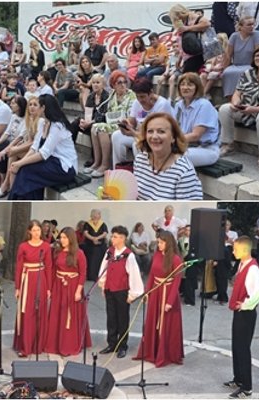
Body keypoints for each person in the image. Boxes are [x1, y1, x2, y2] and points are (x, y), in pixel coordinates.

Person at [218, 44, 259, 170]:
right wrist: (236, 103)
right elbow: (237, 92)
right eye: (257, 55)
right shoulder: (248, 73)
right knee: (225, 108)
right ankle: (228, 144)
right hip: (247, 110)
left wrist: (255, 109)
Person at [8, 94, 78, 200]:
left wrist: (20, 163)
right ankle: (22, 200)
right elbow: (34, 147)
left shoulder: (57, 126)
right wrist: (20, 163)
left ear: (43, 108)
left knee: (26, 170)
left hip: (64, 167)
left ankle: (15, 199)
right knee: (25, 170)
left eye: (38, 105)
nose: (35, 108)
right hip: (52, 161)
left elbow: (43, 153)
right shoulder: (43, 123)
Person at [224, 236, 259, 399]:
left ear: (244, 250)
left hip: (246, 314)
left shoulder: (252, 268)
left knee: (243, 348)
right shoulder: (242, 264)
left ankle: (247, 387)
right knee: (236, 345)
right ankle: (238, 379)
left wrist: (246, 304)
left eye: (235, 248)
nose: (233, 251)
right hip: (240, 312)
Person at [134, 230, 184, 367]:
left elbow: (176, 282)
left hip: (167, 294)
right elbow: (151, 275)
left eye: (162, 242)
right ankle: (151, 351)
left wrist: (169, 302)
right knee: (152, 321)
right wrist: (147, 292)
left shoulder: (176, 259)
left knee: (166, 325)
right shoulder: (156, 255)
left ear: (169, 243)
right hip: (156, 292)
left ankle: (166, 354)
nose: (159, 244)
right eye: (159, 242)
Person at [98, 225, 144, 359]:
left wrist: (132, 294)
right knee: (111, 318)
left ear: (123, 238)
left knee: (122, 319)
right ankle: (112, 343)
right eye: (112, 236)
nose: (112, 238)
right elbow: (104, 268)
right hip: (110, 289)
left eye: (115, 236)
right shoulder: (110, 252)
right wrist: (103, 285)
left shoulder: (129, 256)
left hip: (122, 291)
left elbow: (134, 275)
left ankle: (122, 345)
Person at [133, 113, 203, 200]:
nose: (154, 136)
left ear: (173, 137)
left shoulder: (184, 171)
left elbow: (188, 211)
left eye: (161, 131)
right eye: (150, 131)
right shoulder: (140, 159)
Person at [46, 227, 91, 356]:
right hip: (59, 285)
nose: (62, 240)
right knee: (57, 313)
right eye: (61, 237)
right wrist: (51, 288)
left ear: (71, 238)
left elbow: (83, 273)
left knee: (69, 315)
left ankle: (68, 344)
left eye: (65, 237)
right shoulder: (57, 251)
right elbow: (54, 270)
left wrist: (78, 291)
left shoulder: (79, 253)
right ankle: (55, 343)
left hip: (72, 286)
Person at [110, 77, 173, 167]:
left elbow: (156, 133)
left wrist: (133, 133)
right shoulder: (137, 102)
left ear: (151, 93)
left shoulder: (162, 105)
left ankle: (142, 174)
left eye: (143, 96)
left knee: (137, 144)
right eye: (138, 96)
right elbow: (132, 121)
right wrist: (126, 123)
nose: (140, 100)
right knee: (116, 135)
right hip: (140, 134)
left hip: (156, 138)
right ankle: (119, 169)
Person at [13, 220, 53, 357]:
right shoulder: (23, 246)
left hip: (41, 280)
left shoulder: (46, 247)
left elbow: (49, 267)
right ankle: (25, 346)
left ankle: (38, 345)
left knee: (40, 312)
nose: (36, 233)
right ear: (29, 231)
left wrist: (49, 288)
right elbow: (18, 267)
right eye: (34, 230)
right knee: (27, 313)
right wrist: (17, 287)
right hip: (27, 280)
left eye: (38, 230)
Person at [86, 70, 136, 175]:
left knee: (101, 128)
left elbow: (131, 116)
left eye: (124, 82)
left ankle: (105, 165)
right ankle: (97, 162)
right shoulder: (112, 95)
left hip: (125, 126)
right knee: (94, 127)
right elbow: (109, 112)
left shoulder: (131, 95)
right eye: (119, 83)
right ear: (113, 85)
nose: (123, 85)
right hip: (113, 123)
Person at [173, 73, 220, 167]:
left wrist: (171, 141)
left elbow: (196, 135)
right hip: (185, 146)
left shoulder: (204, 105)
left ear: (197, 88)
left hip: (206, 149)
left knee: (172, 157)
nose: (185, 87)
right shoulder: (179, 105)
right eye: (182, 84)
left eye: (190, 85)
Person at [0, 96, 27, 197]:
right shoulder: (13, 116)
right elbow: (7, 132)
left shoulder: (26, 119)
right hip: (9, 140)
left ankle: (5, 185)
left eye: (14, 103)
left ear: (20, 106)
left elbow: (19, 138)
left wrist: (5, 150)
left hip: (17, 143)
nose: (11, 104)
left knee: (1, 156)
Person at [71, 73, 109, 168]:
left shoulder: (107, 96)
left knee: (94, 127)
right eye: (93, 83)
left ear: (103, 84)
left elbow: (104, 116)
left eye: (98, 82)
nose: (95, 85)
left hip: (102, 123)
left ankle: (94, 158)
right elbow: (88, 113)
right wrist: (84, 121)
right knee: (76, 122)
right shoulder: (91, 96)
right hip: (91, 121)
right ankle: (69, 150)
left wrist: (90, 122)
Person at [221, 16, 259, 99]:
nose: (252, 27)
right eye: (249, 25)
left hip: (250, 64)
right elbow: (228, 54)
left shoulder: (257, 35)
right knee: (227, 73)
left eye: (253, 24)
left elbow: (258, 52)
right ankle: (230, 99)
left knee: (244, 72)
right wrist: (224, 68)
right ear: (241, 27)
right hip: (236, 65)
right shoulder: (234, 36)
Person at [170, 4, 211, 73]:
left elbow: (207, 23)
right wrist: (180, 58)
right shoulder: (184, 22)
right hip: (188, 55)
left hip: (197, 54)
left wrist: (188, 28)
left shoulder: (192, 17)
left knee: (188, 77)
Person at [214, 219, 238, 304]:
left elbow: (234, 243)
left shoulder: (233, 234)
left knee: (223, 281)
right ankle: (220, 296)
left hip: (225, 262)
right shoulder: (220, 236)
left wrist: (229, 269)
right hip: (220, 260)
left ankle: (223, 298)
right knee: (218, 280)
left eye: (228, 225)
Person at [82, 209, 108, 281]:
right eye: (98, 214)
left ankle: (98, 276)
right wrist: (92, 239)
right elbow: (85, 233)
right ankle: (90, 276)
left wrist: (97, 238)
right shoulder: (87, 223)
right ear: (94, 215)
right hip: (90, 246)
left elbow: (105, 233)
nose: (100, 215)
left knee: (99, 260)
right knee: (91, 261)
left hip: (100, 246)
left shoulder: (102, 223)